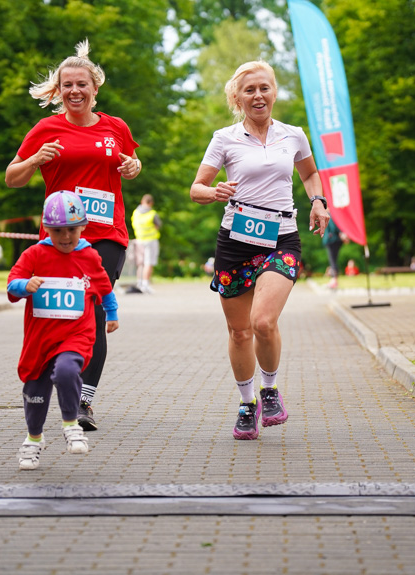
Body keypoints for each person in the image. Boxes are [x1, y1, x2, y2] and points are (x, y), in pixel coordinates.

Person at [5, 39, 140, 432]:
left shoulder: (116, 127)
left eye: (82, 84)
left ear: (95, 88)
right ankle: (55, 371)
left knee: (94, 309)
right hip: (60, 237)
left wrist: (132, 166)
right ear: (59, 90)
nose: (75, 91)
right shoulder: (46, 128)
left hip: (106, 233)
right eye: (68, 85)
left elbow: (132, 161)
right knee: (64, 312)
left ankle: (82, 400)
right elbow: (13, 178)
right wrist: (33, 160)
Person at [189, 60, 329, 440]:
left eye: (264, 88)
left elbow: (310, 174)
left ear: (274, 92)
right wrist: (213, 192)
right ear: (237, 97)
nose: (258, 96)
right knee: (239, 332)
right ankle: (246, 403)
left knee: (262, 322)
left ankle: (270, 390)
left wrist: (318, 201)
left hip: (282, 237)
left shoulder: (293, 135)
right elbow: (196, 188)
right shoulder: (224, 138)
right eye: (249, 90)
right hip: (235, 241)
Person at [7, 191, 119, 470]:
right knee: (35, 392)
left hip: (76, 334)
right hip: (41, 338)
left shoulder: (90, 256)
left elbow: (104, 287)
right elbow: (11, 285)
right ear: (46, 229)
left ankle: (71, 423)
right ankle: (34, 439)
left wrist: (112, 313)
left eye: (72, 229)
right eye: (58, 231)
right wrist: (25, 286)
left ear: (82, 227)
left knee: (68, 370)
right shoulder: (34, 254)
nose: (66, 236)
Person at [130, 193, 162, 294]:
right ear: (151, 203)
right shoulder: (152, 213)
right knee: (149, 262)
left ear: (142, 201)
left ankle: (139, 282)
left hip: (139, 239)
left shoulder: (136, 212)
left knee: (140, 263)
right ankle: (145, 284)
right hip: (151, 240)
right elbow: (158, 225)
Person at [322, 217, 347, 289]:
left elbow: (333, 226)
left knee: (333, 261)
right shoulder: (334, 213)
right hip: (335, 239)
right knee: (333, 261)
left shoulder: (330, 214)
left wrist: (340, 233)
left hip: (332, 240)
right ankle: (334, 280)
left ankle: (334, 280)